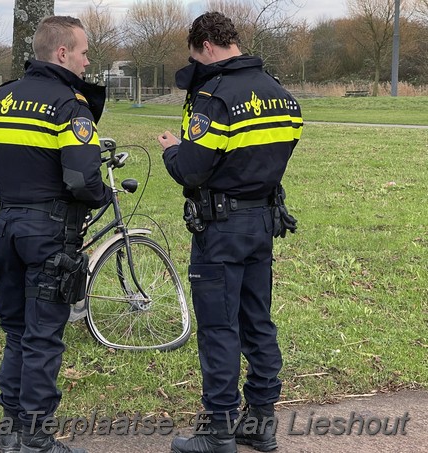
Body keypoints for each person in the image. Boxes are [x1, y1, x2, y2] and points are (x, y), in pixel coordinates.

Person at [0, 15, 111, 453]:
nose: (86, 59)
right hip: (51, 233)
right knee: (43, 337)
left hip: (6, 230)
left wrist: (10, 186)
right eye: (83, 51)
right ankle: (37, 439)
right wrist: (97, 198)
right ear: (62, 53)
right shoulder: (69, 106)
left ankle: (11, 430)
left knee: (17, 332)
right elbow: (82, 179)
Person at [157, 11, 303, 453]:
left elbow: (191, 171)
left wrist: (173, 150)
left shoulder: (215, 97)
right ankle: (261, 423)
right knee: (257, 321)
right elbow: (284, 145)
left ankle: (218, 430)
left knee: (219, 327)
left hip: (220, 228)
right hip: (262, 222)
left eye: (194, 57)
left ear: (206, 46)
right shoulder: (280, 93)